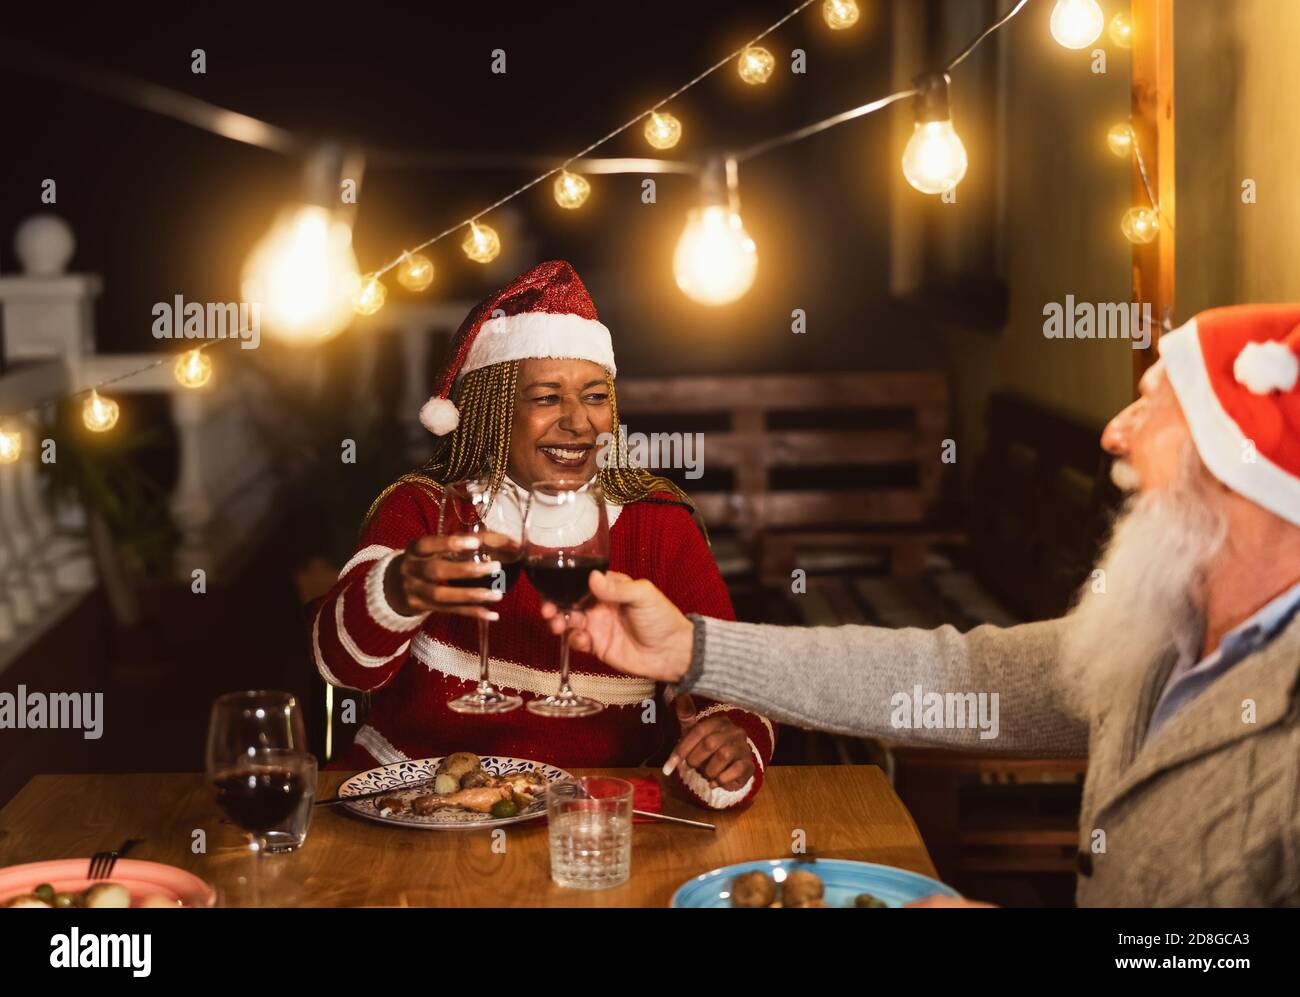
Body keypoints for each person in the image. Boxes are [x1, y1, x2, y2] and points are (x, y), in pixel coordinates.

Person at [543, 304, 1300, 905]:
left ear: (1237, 466)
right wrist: (693, 649)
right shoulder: (1162, 640)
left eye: (1152, 407)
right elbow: (950, 675)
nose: (1114, 433)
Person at [312, 260, 773, 809]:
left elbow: (730, 685)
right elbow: (339, 667)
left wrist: (728, 746)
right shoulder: (424, 507)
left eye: (596, 396)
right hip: (411, 802)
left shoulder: (657, 522)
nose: (578, 421)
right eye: (548, 398)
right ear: (494, 411)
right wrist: (393, 593)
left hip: (591, 810)